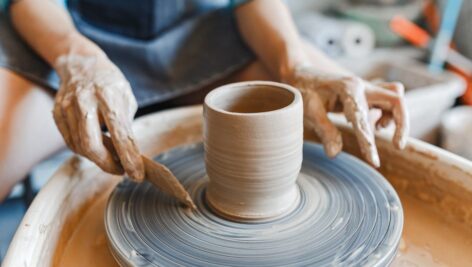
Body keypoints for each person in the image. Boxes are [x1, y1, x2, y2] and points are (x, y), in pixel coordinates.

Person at [0, 0, 409, 201]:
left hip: (201, 34)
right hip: (73, 31)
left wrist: (295, 66)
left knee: (345, 119)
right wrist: (79, 59)